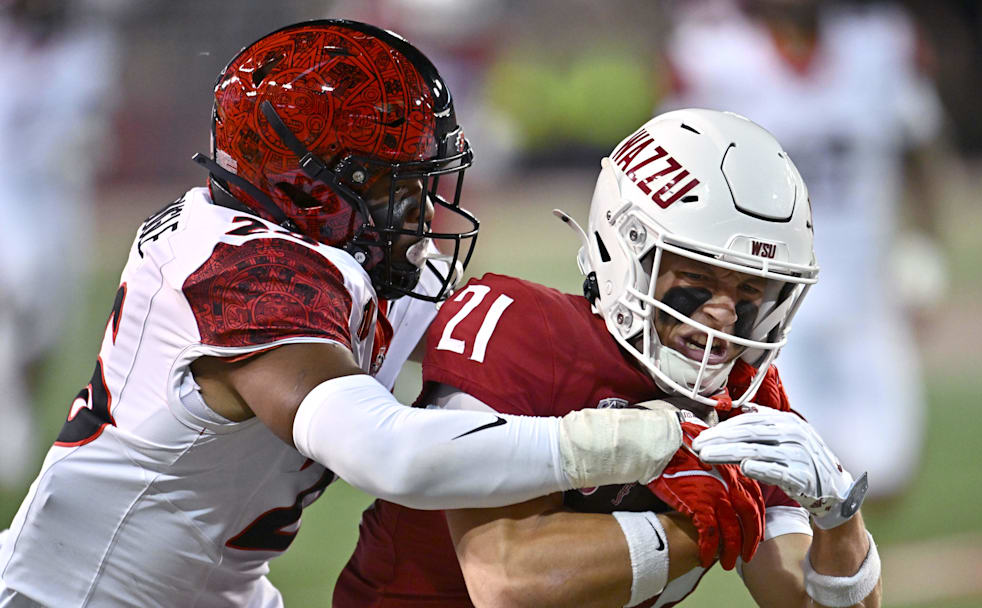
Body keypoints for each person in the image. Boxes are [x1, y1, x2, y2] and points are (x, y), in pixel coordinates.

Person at [0, 20, 692, 607]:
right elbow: (388, 453)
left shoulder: (327, 251)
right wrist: (620, 440)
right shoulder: (250, 275)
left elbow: (506, 332)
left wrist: (684, 352)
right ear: (311, 186)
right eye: (396, 186)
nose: (422, 213)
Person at [334, 109, 880, 607]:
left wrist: (838, 515)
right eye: (698, 277)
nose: (724, 313)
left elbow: (805, 602)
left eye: (751, 291)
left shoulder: (741, 397)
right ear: (626, 251)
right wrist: (696, 527)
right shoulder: (521, 329)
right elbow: (507, 581)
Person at [661, 0, 952, 499]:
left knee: (884, 474)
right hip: (762, 308)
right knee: (781, 484)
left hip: (865, 299)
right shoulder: (712, 52)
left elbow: (923, 154)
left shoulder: (880, 44)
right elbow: (669, 172)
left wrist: (926, 249)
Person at [0, 0, 120, 488]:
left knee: (46, 325)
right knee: (18, 289)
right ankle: (10, 426)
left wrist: (84, 143)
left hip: (57, 201)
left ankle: (21, 409)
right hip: (7, 192)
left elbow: (92, 125)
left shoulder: (85, 48)